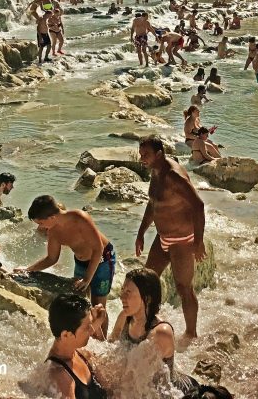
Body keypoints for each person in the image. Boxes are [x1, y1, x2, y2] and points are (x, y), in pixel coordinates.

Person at [135, 137, 206, 338]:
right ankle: (147, 324)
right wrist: (140, 233)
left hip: (182, 240)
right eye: (141, 155)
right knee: (146, 281)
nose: (142, 159)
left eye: (145, 155)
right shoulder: (155, 172)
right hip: (162, 237)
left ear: (159, 154)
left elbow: (198, 206)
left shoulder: (174, 176)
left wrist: (198, 243)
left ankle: (191, 334)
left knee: (184, 288)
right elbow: (153, 204)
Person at [24, 195, 115, 335]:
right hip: (81, 262)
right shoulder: (53, 231)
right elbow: (51, 258)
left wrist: (87, 279)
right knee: (80, 302)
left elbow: (98, 249)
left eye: (41, 223)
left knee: (98, 305)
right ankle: (85, 336)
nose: (40, 227)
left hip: (103, 260)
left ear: (52, 217)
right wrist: (27, 270)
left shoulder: (80, 218)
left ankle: (104, 341)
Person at [110, 268, 199, 393]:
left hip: (177, 393)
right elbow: (110, 350)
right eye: (122, 290)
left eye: (128, 292)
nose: (121, 296)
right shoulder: (124, 317)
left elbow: (137, 378)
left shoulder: (161, 333)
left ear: (147, 298)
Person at [44, 294, 109, 399]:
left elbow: (109, 385)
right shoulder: (60, 377)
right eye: (87, 327)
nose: (91, 331)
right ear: (66, 335)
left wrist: (99, 322)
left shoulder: (79, 352)